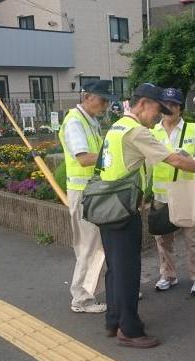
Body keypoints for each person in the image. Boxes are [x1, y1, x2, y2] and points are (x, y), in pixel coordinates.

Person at [100, 83, 195, 348]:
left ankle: (114, 321)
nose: (159, 115)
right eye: (158, 109)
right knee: (127, 270)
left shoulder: (117, 127)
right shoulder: (137, 131)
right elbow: (177, 161)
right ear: (144, 103)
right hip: (124, 209)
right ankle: (130, 330)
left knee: (115, 268)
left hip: (106, 205)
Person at [58, 80, 116, 313]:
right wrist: (113, 155)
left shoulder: (90, 120)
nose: (105, 105)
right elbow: (83, 158)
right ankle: (80, 299)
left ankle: (103, 289)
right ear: (87, 97)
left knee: (96, 243)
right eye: (102, 99)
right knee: (88, 245)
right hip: (83, 192)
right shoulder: (74, 121)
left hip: (92, 190)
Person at [150, 88, 195, 296]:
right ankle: (168, 275)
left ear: (180, 108)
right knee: (163, 240)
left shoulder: (191, 130)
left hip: (185, 192)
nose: (169, 109)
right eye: (166, 105)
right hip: (160, 195)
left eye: (174, 105)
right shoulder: (151, 132)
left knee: (192, 239)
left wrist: (191, 161)